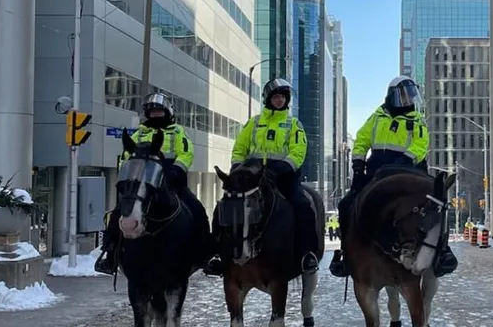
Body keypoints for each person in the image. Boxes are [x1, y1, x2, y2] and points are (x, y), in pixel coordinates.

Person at [329, 76, 459, 278]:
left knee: (437, 204)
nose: (407, 100)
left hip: (409, 169)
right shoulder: (376, 118)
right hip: (377, 170)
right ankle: (346, 255)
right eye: (403, 96)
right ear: (392, 96)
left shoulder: (417, 120)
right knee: (346, 204)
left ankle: (443, 253)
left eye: (410, 96)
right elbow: (362, 140)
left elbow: (421, 144)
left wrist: (406, 159)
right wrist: (357, 164)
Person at [206, 77, 318, 276]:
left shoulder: (294, 124)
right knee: (224, 205)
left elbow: (298, 150)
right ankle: (216, 253)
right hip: (252, 175)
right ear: (268, 99)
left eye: (282, 97)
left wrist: (283, 167)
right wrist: (237, 168)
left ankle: (308, 254)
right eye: (276, 97)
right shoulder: (254, 122)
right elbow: (240, 147)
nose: (279, 100)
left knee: (303, 206)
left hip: (283, 175)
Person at [95, 93, 211, 275]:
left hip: (171, 182)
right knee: (119, 212)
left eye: (159, 111)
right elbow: (126, 157)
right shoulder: (140, 133)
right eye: (153, 112)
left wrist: (176, 170)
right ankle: (110, 254)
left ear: (167, 113)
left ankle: (205, 253)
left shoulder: (177, 132)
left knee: (197, 209)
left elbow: (186, 153)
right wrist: (126, 175)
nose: (156, 115)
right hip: (144, 183)